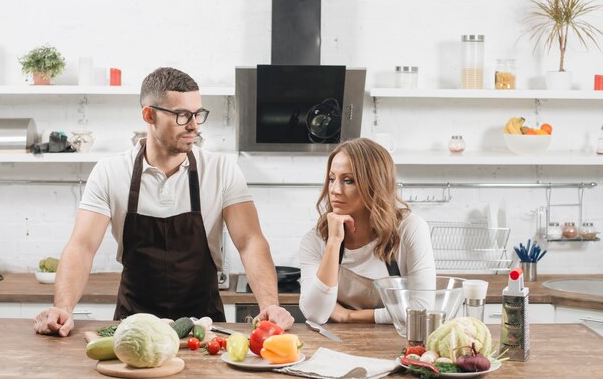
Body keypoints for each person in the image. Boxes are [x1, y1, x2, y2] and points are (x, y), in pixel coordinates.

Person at [34, 67, 294, 336]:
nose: (194, 124)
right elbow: (82, 246)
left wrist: (270, 305)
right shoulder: (110, 172)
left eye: (197, 114)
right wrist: (63, 308)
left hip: (203, 329)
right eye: (182, 115)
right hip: (131, 328)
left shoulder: (220, 170)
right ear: (149, 115)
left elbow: (250, 240)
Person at [299, 138, 436, 324]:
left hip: (395, 344)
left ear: (374, 185)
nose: (335, 190)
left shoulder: (409, 229)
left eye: (348, 180)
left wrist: (349, 316)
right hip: (336, 345)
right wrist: (333, 242)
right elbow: (315, 313)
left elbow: (422, 309)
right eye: (332, 179)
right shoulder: (315, 240)